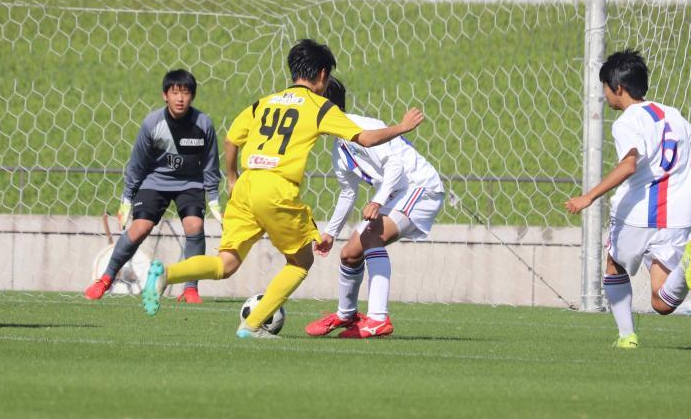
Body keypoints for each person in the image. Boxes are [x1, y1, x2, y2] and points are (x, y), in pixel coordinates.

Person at [141, 39, 424, 338]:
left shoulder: (264, 102)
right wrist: (401, 127)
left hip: (247, 184)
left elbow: (231, 139)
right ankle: (252, 325)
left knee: (226, 263)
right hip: (276, 188)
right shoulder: (320, 106)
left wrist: (233, 178)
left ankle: (167, 273)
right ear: (323, 75)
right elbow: (364, 138)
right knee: (301, 262)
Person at [564, 50, 691, 349]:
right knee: (661, 302)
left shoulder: (627, 121)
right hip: (677, 219)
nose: (604, 94)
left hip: (639, 215)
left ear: (618, 88)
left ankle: (627, 336)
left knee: (614, 264)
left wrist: (588, 197)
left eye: (605, 87)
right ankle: (685, 268)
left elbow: (629, 165)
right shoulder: (674, 115)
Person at [305, 77, 446, 339]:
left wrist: (377, 200)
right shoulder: (339, 146)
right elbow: (348, 192)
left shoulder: (361, 127)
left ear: (328, 108)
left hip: (421, 188)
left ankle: (378, 319)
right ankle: (347, 314)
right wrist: (330, 233)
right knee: (349, 254)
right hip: (398, 193)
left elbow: (395, 166)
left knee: (371, 237)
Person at [84, 69, 221, 303]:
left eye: (186, 93)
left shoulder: (203, 124)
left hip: (190, 183)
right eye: (175, 92)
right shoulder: (152, 123)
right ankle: (105, 278)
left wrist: (214, 198)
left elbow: (210, 163)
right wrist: (127, 198)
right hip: (155, 181)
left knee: (195, 225)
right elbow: (137, 163)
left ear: (193, 96)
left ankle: (190, 289)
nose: (180, 98)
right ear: (165, 95)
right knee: (140, 228)